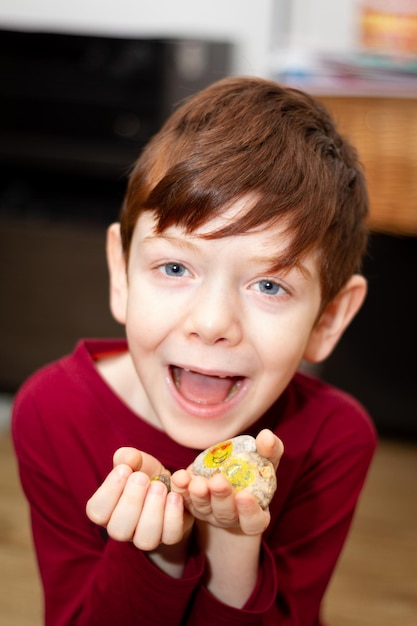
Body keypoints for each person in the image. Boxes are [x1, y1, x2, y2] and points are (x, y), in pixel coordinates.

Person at [12, 76, 377, 626]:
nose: (211, 324)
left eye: (270, 285)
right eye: (176, 268)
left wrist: (231, 540)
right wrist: (157, 552)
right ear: (122, 274)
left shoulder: (333, 440)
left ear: (328, 318)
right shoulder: (53, 412)